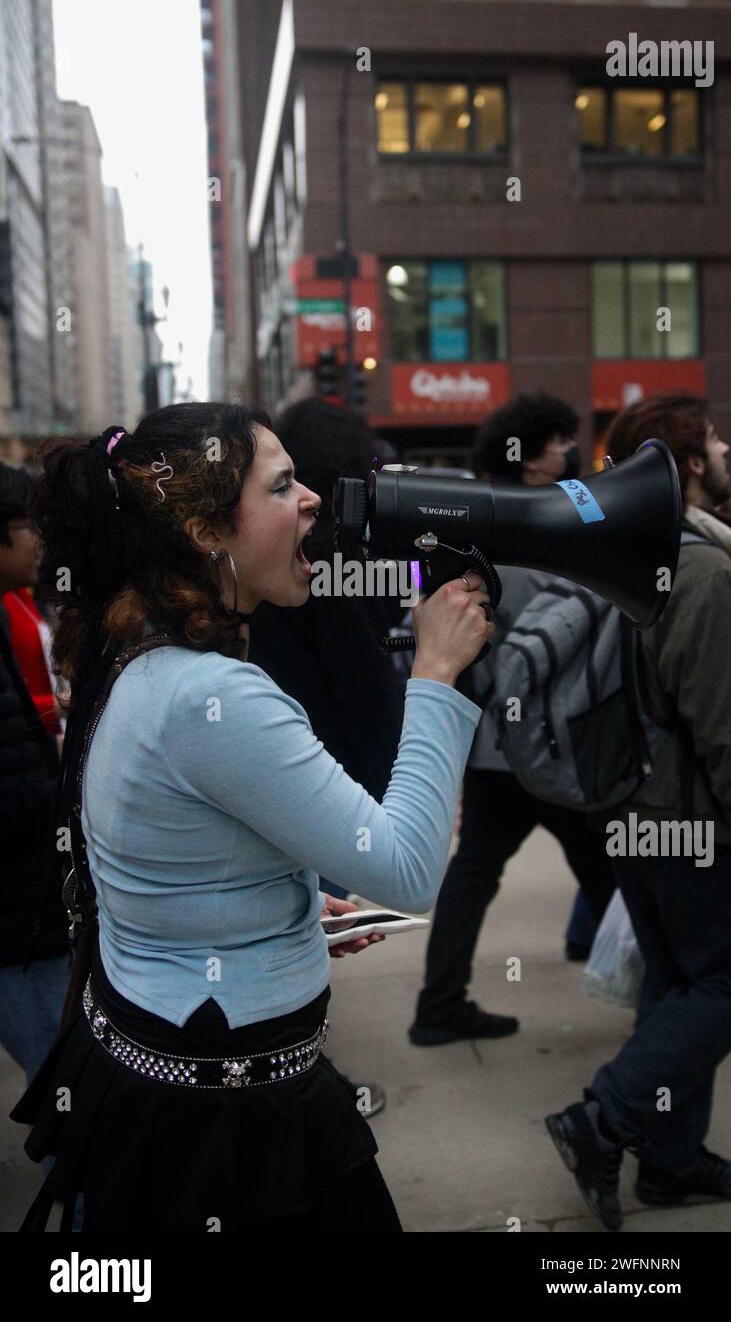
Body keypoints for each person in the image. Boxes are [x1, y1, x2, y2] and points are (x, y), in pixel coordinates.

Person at [11, 402, 493, 1233]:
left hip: (163, 1068)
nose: (311, 499)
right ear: (205, 532)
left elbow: (165, 867)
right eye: (280, 486)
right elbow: (408, 867)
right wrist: (438, 674)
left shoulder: (136, 650)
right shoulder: (213, 694)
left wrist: (294, 910)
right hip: (226, 1118)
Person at [546, 392, 731, 1231]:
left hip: (633, 812)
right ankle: (606, 1117)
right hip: (689, 822)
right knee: (722, 980)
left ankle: (667, 1160)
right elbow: (721, 722)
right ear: (688, 462)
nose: (726, 446)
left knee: (674, 982)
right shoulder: (703, 570)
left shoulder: (634, 555)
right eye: (715, 438)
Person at [410, 393, 615, 1046]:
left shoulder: (470, 526)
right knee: (606, 868)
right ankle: (665, 990)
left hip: (497, 744)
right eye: (557, 442)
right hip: (549, 743)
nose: (568, 452)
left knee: (476, 870)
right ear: (526, 458)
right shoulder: (548, 525)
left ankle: (438, 1006)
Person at [249, 396, 409, 1117]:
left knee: (297, 923)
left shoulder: (286, 555)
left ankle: (297, 1077)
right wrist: (386, 796)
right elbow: (365, 681)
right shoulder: (334, 551)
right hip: (320, 773)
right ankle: (303, 1085)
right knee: (295, 929)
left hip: (296, 766)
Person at [0, 465, 70, 1085]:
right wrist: (67, 797)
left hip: (31, 896)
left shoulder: (13, 605)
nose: (39, 542)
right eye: (27, 527)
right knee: (58, 1077)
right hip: (16, 913)